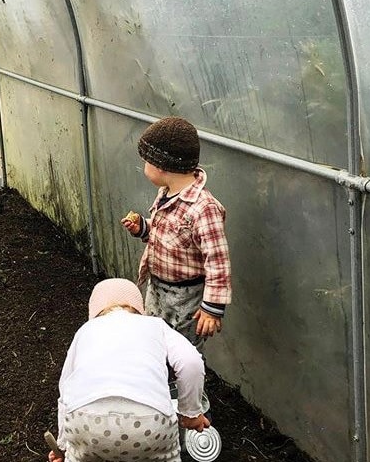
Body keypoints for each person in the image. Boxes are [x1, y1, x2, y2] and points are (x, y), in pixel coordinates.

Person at [120, 116, 232, 416]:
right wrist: (143, 228)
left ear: (161, 166)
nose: (144, 166)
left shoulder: (203, 208)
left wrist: (211, 308)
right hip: (158, 289)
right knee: (155, 342)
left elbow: (218, 262)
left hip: (186, 299)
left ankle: (192, 413)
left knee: (184, 356)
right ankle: (159, 399)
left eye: (145, 160)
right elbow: (168, 238)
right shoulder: (168, 194)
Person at [48, 278, 209, 462]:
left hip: (85, 421)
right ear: (139, 309)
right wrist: (191, 413)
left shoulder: (85, 330)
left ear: (94, 312)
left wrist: (64, 447)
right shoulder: (155, 325)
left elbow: (66, 390)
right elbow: (191, 362)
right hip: (150, 421)